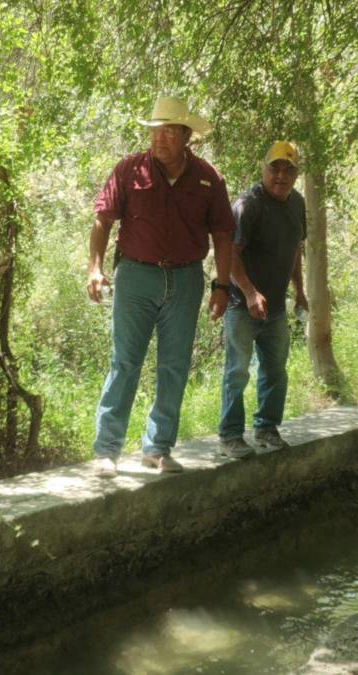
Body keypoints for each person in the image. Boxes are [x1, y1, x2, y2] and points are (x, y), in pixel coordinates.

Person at [86, 96, 235, 478]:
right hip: (136, 277)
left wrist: (221, 285)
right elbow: (103, 219)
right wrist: (95, 267)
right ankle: (107, 451)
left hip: (186, 280)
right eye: (156, 130)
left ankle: (158, 448)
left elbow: (222, 233)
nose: (160, 138)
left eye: (169, 131)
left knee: (174, 366)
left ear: (186, 136)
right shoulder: (129, 170)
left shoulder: (208, 178)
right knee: (125, 363)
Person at [218, 141, 309, 457]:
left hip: (276, 307)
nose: (280, 175)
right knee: (238, 371)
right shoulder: (248, 205)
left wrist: (300, 291)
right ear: (263, 169)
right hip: (241, 306)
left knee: (275, 369)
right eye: (275, 168)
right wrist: (249, 292)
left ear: (296, 174)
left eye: (288, 170)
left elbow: (297, 249)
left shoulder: (297, 204)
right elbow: (229, 253)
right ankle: (230, 436)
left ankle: (267, 429)